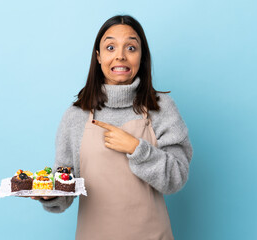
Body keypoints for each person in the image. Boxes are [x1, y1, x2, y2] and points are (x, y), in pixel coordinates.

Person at [31, 15, 192, 240]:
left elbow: (177, 177)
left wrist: (137, 148)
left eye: (131, 47)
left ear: (141, 56)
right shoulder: (75, 116)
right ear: (98, 56)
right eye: (110, 47)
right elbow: (65, 185)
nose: (120, 56)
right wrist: (50, 195)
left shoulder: (161, 108)